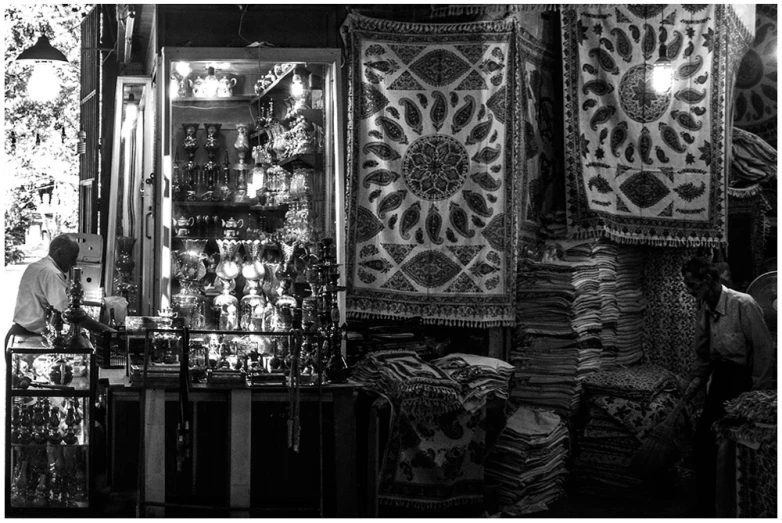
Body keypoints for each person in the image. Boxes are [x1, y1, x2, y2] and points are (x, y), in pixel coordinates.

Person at [681, 257, 776, 517]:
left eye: (693, 286)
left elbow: (764, 352)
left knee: (734, 442)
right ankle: (707, 504)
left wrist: (756, 398)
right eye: (687, 286)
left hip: (743, 381)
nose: (690, 292)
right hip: (721, 379)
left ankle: (733, 506)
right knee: (703, 440)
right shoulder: (704, 307)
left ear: (710, 281)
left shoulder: (743, 304)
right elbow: (703, 354)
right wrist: (694, 381)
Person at [6, 233, 112, 347]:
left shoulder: (36, 266)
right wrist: (107, 331)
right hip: (30, 338)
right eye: (72, 258)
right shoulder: (51, 273)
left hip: (18, 333)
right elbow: (70, 314)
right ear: (59, 253)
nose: (74, 264)